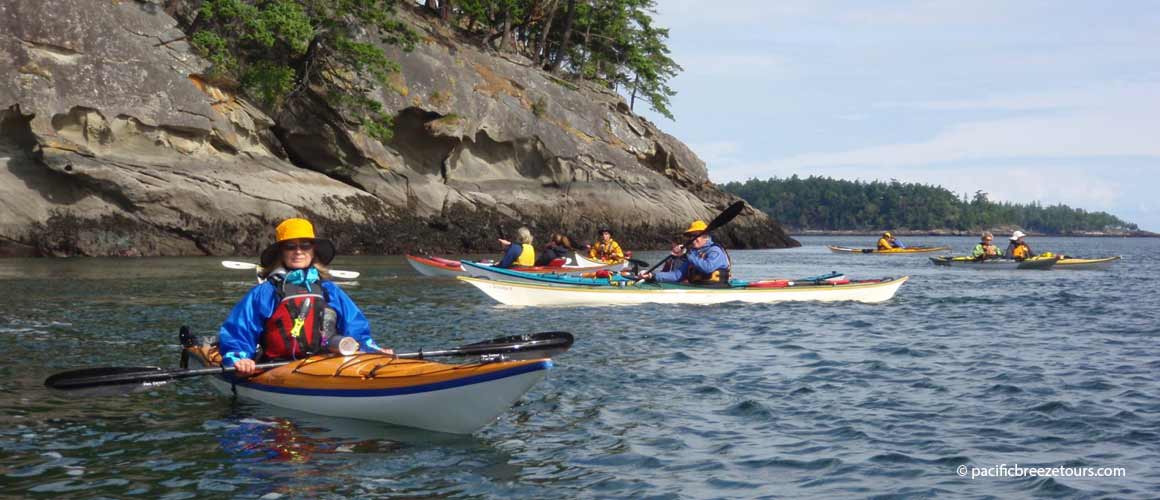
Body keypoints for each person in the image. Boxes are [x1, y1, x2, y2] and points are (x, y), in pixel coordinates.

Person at [218, 218, 393, 376]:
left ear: (313, 250)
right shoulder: (266, 292)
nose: (298, 251)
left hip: (328, 364)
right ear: (281, 252)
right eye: (290, 246)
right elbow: (239, 330)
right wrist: (239, 359)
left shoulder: (329, 289)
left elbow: (355, 326)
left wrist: (371, 349)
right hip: (278, 368)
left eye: (305, 245)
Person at [638, 220, 732, 286]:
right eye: (691, 236)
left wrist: (686, 253)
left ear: (705, 236)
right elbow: (676, 275)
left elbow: (707, 268)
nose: (692, 239)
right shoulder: (693, 254)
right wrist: (652, 275)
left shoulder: (715, 250)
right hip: (698, 289)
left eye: (695, 236)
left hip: (716, 289)